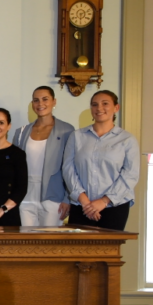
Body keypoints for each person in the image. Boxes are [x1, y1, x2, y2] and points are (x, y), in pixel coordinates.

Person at [63, 90, 139, 231]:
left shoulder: (127, 139)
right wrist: (85, 202)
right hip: (81, 206)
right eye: (94, 104)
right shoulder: (77, 136)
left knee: (109, 245)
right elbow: (68, 169)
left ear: (116, 107)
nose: (99, 108)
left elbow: (130, 174)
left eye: (105, 104)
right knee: (77, 245)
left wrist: (104, 201)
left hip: (114, 206)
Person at [12, 86, 75, 226]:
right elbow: (15, 167)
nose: (40, 104)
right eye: (36, 100)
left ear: (54, 101)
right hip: (26, 195)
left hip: (54, 196)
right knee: (26, 237)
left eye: (45, 99)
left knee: (49, 239)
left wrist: (67, 198)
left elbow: (71, 167)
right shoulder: (21, 132)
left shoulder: (66, 130)